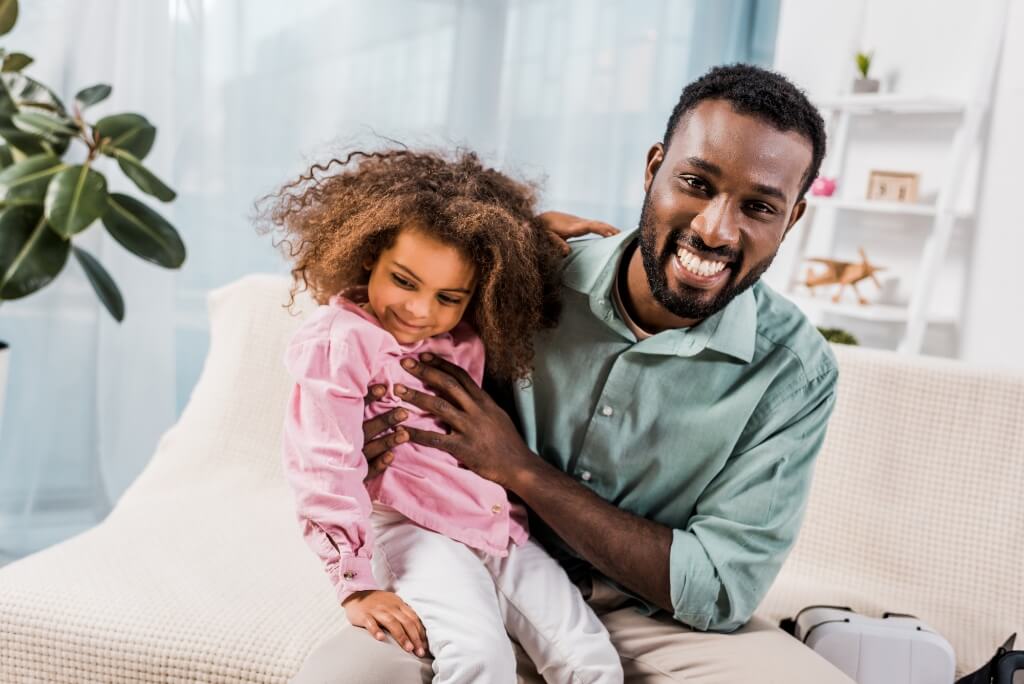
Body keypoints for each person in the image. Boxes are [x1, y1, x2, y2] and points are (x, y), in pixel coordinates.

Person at [292, 64, 857, 683]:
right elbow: (404, 293)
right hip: (457, 552)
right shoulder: (527, 275)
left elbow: (720, 589)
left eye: (758, 206)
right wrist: (512, 237)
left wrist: (521, 470)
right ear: (654, 169)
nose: (715, 228)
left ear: (793, 219)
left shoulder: (794, 373)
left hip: (650, 615)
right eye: (695, 182)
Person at [268, 148, 624, 684]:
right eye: (404, 281)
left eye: (447, 296)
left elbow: (504, 271)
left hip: (495, 526)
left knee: (590, 659)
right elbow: (323, 465)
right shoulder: (339, 342)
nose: (419, 311)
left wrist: (530, 235)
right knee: (481, 658)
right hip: (411, 526)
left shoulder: (463, 334)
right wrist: (354, 584)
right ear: (369, 256)